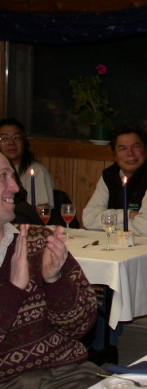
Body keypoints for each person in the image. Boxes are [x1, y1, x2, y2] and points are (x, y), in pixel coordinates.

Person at [0, 152, 102, 388]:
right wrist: (13, 291)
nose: (15, 187)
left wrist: (55, 281)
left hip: (67, 373)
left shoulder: (38, 240)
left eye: (12, 176)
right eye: (3, 177)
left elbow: (81, 326)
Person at [83, 125, 147, 237]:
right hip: (115, 247)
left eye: (136, 147)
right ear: (115, 154)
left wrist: (107, 224)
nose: (130, 154)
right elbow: (88, 220)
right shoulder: (109, 175)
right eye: (123, 148)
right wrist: (129, 215)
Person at [0, 118, 54, 209]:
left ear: (24, 142)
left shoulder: (37, 171)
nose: (11, 142)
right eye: (4, 138)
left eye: (16, 137)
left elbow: (42, 210)